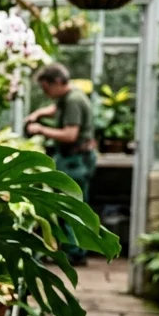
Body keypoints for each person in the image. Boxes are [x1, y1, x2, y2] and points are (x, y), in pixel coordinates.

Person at [25, 63, 96, 266]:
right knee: (72, 206)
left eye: (46, 88)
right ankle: (74, 250)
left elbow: (70, 134)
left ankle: (75, 253)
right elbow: (54, 109)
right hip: (75, 159)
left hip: (76, 161)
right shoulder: (69, 97)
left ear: (57, 82)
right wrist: (38, 114)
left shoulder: (73, 100)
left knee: (71, 207)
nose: (45, 93)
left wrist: (40, 129)